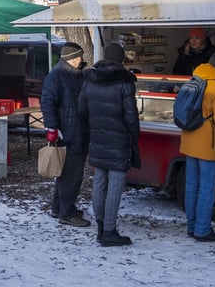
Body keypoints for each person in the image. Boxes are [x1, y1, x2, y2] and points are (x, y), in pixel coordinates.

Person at [79, 43, 140, 246]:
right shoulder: (125, 82)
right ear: (122, 60)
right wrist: (134, 137)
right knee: (115, 185)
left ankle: (100, 227)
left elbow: (82, 109)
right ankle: (109, 231)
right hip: (119, 140)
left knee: (99, 182)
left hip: (97, 138)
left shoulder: (90, 79)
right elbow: (131, 117)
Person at [180, 49, 215, 242]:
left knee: (192, 186)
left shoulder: (195, 79)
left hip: (189, 140)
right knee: (207, 188)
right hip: (208, 145)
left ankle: (191, 226)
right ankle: (202, 230)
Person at [41, 42, 90, 227]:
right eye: (77, 57)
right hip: (68, 132)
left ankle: (58, 207)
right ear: (70, 59)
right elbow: (48, 102)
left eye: (81, 57)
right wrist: (52, 129)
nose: (81, 60)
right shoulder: (57, 75)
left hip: (77, 129)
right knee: (72, 175)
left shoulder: (77, 74)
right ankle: (67, 213)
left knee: (64, 173)